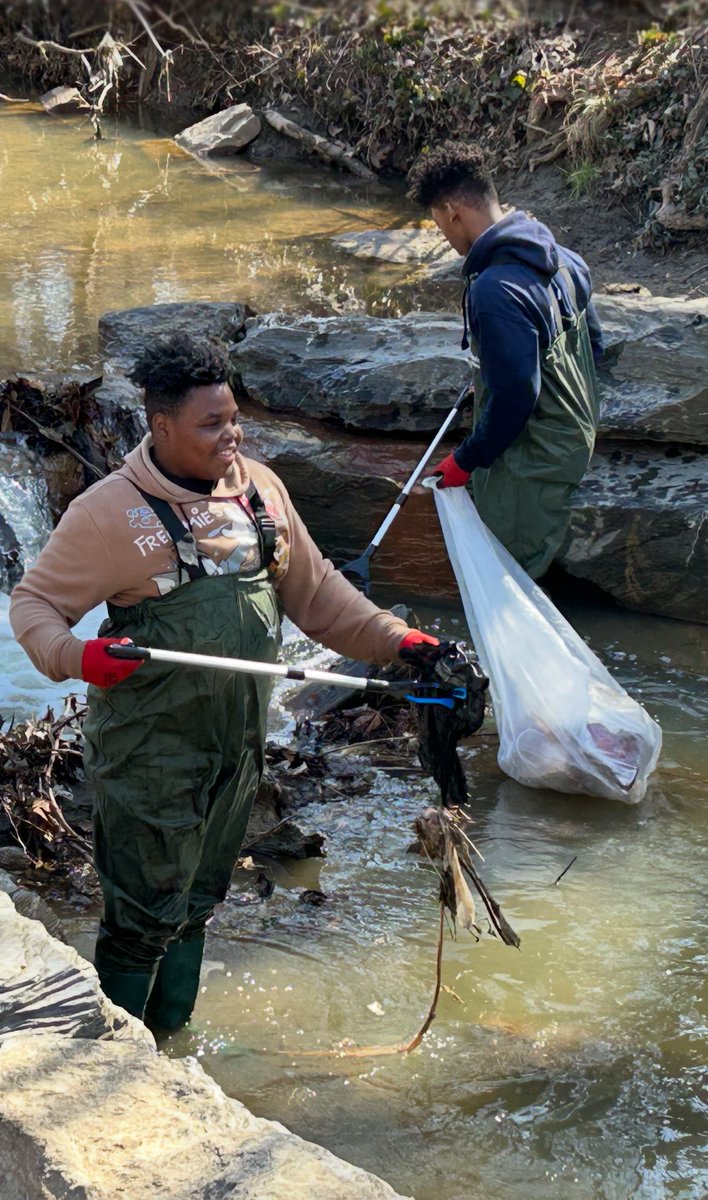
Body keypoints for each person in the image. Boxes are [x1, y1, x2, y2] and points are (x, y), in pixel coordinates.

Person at [9, 334, 439, 1030]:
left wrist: (402, 642)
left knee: (200, 902)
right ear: (161, 426)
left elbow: (321, 598)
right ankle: (118, 1060)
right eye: (211, 424)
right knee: (143, 919)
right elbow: (32, 605)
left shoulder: (262, 494)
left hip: (234, 752)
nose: (230, 434)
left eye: (233, 417)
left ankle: (171, 1044)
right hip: (148, 758)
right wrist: (77, 657)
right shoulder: (107, 513)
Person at [407, 142, 603, 579]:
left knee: (511, 574)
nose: (441, 231)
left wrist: (467, 459)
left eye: (437, 219)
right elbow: (594, 345)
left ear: (453, 210)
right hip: (570, 438)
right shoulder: (563, 259)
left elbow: (519, 391)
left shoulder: (494, 288)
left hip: (531, 460)